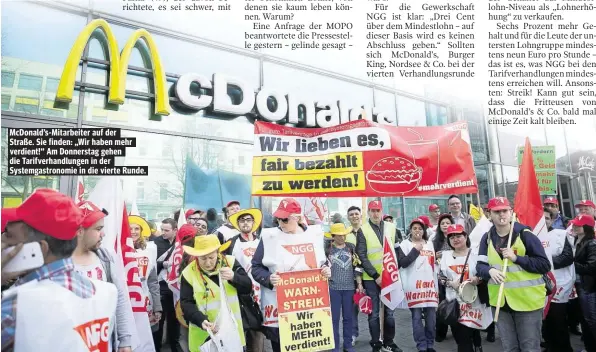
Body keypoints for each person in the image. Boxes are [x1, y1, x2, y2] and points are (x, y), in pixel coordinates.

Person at [1, 189, 119, 351]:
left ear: (39, 249)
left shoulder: (14, 307)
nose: (1, 239)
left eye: (8, 234)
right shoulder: (105, 293)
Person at [251, 198, 331, 352]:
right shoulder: (270, 237)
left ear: (298, 217)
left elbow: (323, 262)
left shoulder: (314, 236)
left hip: (309, 309)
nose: (281, 223)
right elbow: (256, 267)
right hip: (279, 309)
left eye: (285, 219)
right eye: (278, 219)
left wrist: (327, 269)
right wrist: (268, 278)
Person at [476, 197, 550, 352]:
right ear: (489, 214)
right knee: (510, 348)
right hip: (501, 303)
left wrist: (517, 258)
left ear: (511, 212)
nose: (501, 215)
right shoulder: (487, 238)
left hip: (527, 302)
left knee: (529, 348)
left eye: (505, 210)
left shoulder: (525, 234)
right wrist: (489, 271)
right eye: (497, 212)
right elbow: (480, 266)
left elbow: (544, 265)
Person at [71, 201, 137, 352]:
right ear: (80, 231)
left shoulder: (106, 258)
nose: (103, 234)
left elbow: (119, 298)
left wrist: (125, 340)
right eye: (98, 229)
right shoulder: (59, 262)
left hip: (103, 344)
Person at [180, 235, 253, 350]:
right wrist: (201, 320)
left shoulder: (230, 262)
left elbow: (248, 287)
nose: (208, 263)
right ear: (196, 256)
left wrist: (234, 277)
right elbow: (186, 303)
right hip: (203, 334)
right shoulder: (188, 273)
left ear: (218, 253)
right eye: (203, 258)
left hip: (231, 332)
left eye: (211, 257)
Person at [356, 200, 403, 352]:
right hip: (372, 278)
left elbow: (396, 250)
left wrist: (397, 270)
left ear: (381, 211)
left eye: (378, 210)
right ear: (368, 212)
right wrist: (376, 275)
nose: (375, 213)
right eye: (372, 210)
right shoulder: (363, 230)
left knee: (390, 312)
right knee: (374, 314)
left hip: (390, 277)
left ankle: (389, 341)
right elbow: (362, 256)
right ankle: (376, 342)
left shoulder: (391, 227)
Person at [439, 224, 491, 352]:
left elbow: (485, 273)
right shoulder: (445, 256)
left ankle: (477, 345)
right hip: (456, 305)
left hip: (476, 303)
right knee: (462, 339)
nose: (455, 239)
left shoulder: (477, 253)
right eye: (452, 237)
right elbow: (440, 278)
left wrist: (478, 279)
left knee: (474, 331)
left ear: (465, 236)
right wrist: (450, 283)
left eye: (458, 236)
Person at [227, 208, 266, 352]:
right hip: (238, 292)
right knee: (238, 332)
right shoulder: (231, 243)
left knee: (257, 333)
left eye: (248, 219)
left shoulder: (263, 242)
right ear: (238, 224)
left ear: (254, 223)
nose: (245, 223)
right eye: (242, 220)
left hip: (261, 292)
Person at [397, 218, 438, 352]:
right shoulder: (404, 244)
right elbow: (403, 263)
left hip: (429, 287)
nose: (417, 231)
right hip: (413, 288)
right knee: (416, 318)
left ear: (424, 230)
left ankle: (430, 343)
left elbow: (432, 265)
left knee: (431, 319)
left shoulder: (430, 244)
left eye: (420, 228)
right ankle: (421, 345)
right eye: (414, 228)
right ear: (410, 230)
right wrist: (415, 250)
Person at [325, 223, 362, 352]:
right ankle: (334, 346)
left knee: (348, 317)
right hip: (333, 288)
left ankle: (348, 345)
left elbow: (357, 266)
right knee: (334, 319)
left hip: (349, 288)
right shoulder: (327, 249)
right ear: (333, 236)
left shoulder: (351, 247)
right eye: (339, 235)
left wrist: (359, 284)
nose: (342, 237)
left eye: (344, 235)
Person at [541, 208, 574, 352]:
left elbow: (567, 257)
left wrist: (544, 262)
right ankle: (550, 346)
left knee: (558, 319)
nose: (544, 221)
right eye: (541, 218)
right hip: (539, 287)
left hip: (559, 285)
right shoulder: (530, 236)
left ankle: (564, 348)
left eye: (547, 218)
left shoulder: (561, 234)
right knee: (545, 320)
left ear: (552, 220)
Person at [130, 215, 163, 334]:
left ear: (142, 230)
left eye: (136, 229)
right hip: (127, 306)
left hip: (146, 303)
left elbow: (153, 282)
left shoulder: (149, 250)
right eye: (130, 229)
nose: (133, 232)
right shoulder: (118, 250)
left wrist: (157, 308)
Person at [153, 218, 181, 352]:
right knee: (160, 319)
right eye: (162, 229)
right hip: (161, 286)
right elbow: (150, 265)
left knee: (175, 319)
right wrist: (162, 264)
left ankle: (175, 347)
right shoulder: (155, 243)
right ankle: (156, 347)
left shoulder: (181, 243)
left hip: (176, 286)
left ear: (175, 230)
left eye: (166, 230)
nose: (163, 232)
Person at [570, 214, 596, 352]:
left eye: (578, 225)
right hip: (578, 285)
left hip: (587, 286)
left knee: (591, 319)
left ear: (586, 227)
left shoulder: (591, 243)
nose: (574, 226)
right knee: (584, 319)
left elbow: (592, 267)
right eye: (574, 224)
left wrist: (572, 264)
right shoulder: (576, 240)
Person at [431, 213, 455, 342]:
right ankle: (441, 332)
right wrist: (436, 256)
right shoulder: (435, 241)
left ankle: (457, 327)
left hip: (455, 277)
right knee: (441, 304)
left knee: (455, 303)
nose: (445, 225)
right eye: (443, 224)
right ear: (439, 226)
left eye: (448, 223)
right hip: (440, 278)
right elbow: (429, 257)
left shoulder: (457, 237)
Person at [346, 206, 362, 346]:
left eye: (356, 214)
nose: (354, 216)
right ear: (348, 217)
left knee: (373, 308)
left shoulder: (368, 231)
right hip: (352, 276)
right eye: (351, 214)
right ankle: (352, 334)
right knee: (352, 309)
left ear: (360, 215)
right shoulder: (345, 234)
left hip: (369, 274)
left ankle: (377, 335)